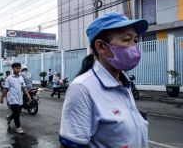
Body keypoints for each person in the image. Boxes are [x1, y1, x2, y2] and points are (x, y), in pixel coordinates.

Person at [59, 12, 149, 148]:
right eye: (126, 40)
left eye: (135, 41)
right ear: (101, 47)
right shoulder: (82, 88)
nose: (133, 47)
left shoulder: (123, 84)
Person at [0, 63, 31, 134]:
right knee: (16, 112)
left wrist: (28, 95)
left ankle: (9, 118)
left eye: (19, 68)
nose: (18, 69)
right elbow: (5, 89)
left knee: (17, 113)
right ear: (13, 68)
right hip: (12, 99)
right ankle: (18, 127)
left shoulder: (21, 77)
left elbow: (24, 87)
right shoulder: (9, 78)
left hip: (20, 98)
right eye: (17, 68)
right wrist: (2, 98)